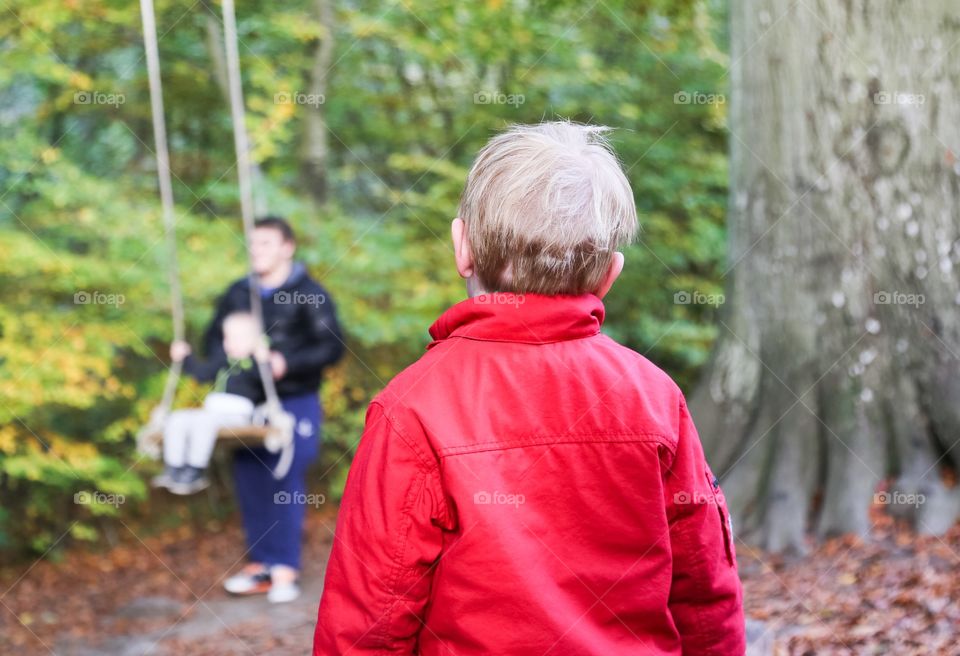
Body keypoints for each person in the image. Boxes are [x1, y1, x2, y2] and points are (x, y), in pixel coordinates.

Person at [313, 122, 746, 654]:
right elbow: (704, 588)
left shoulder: (411, 407)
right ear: (611, 274)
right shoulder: (653, 395)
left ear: (462, 248)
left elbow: (367, 621)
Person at [206, 216, 344, 604]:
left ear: (287, 247)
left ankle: (284, 567)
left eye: (265, 243)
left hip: (294, 401)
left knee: (284, 478)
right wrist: (227, 361)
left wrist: (287, 362)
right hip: (247, 405)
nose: (257, 251)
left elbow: (331, 347)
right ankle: (260, 566)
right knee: (249, 477)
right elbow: (212, 341)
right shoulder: (237, 293)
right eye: (252, 244)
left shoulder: (310, 293)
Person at [151, 311, 267, 495]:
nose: (230, 343)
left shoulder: (256, 364)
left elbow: (267, 384)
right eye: (227, 338)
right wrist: (185, 357)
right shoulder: (222, 361)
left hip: (238, 416)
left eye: (238, 338)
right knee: (178, 417)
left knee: (205, 422)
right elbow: (201, 374)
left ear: (255, 341)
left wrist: (263, 360)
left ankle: (195, 469)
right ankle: (174, 466)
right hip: (212, 411)